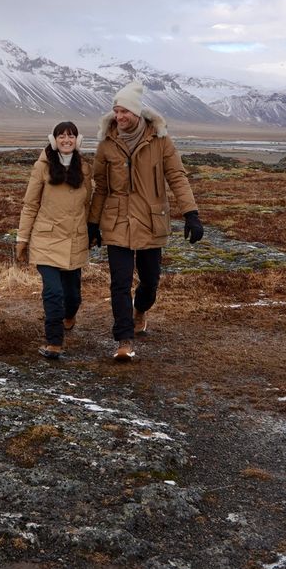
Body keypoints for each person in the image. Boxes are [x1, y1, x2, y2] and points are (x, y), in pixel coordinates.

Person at [87, 80, 203, 361]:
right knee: (119, 282)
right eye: (116, 111)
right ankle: (124, 340)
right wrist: (93, 222)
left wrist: (191, 213)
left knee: (150, 281)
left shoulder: (160, 140)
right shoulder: (106, 144)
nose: (120, 117)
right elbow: (100, 186)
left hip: (152, 221)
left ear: (137, 113)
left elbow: (176, 176)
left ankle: (140, 311)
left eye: (125, 111)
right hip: (117, 222)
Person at [16, 121, 92, 359]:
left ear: (77, 140)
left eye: (71, 136)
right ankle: (54, 342)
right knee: (53, 292)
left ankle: (70, 316)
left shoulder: (86, 168)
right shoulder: (42, 167)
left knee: (73, 297)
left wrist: (94, 230)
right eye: (61, 136)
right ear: (54, 140)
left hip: (74, 240)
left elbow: (91, 203)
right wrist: (22, 239)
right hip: (46, 239)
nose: (66, 140)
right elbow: (30, 205)